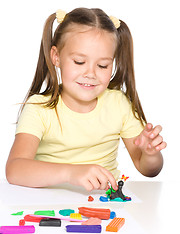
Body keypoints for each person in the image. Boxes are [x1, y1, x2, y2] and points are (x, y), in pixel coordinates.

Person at [6, 8, 167, 191]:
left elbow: (148, 169)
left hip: (105, 206)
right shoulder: (39, 108)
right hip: (49, 207)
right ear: (56, 57)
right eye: (79, 62)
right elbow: (14, 169)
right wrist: (71, 173)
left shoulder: (118, 104)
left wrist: (150, 154)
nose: (90, 74)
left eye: (102, 65)